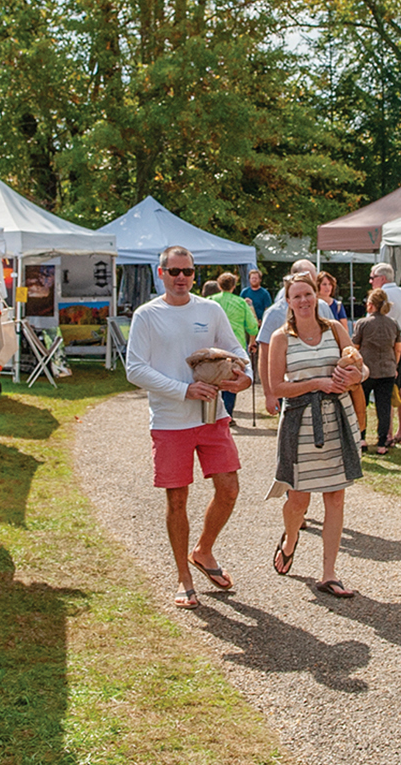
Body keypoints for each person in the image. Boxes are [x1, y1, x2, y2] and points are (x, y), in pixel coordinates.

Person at [125, 246, 253, 610]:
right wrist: (183, 390)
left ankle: (204, 549)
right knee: (177, 499)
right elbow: (135, 369)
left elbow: (237, 352)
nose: (181, 277)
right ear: (160, 273)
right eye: (174, 271)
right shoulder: (147, 315)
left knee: (229, 489)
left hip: (212, 415)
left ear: (196, 274)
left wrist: (245, 379)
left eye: (188, 271)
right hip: (170, 421)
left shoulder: (209, 309)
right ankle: (184, 577)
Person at [267, 272, 364, 598]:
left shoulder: (335, 329)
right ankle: (291, 537)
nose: (304, 301)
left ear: (317, 296)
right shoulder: (281, 338)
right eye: (297, 296)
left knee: (335, 496)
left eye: (308, 294)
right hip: (300, 422)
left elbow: (360, 366)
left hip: (337, 418)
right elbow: (277, 386)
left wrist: (353, 374)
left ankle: (329, 573)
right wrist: (317, 384)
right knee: (298, 499)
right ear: (289, 302)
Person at [256, 259, 334, 414]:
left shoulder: (323, 307)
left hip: (328, 397)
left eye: (313, 280)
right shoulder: (274, 314)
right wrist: (269, 394)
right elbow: (264, 356)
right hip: (294, 398)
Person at [369, 262, 401, 444]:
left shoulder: (381, 297)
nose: (371, 282)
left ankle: (387, 432)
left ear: (382, 278)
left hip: (388, 343)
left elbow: (372, 323)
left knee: (387, 387)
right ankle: (400, 432)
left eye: (373, 278)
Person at [351, 288, 401, 454]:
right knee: (384, 407)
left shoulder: (362, 324)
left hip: (366, 371)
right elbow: (398, 348)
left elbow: (355, 346)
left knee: (361, 405)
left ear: (370, 305)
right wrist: (394, 364)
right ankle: (381, 443)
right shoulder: (393, 323)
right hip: (387, 370)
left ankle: (362, 438)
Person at [210, 272, 260, 417]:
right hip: (234, 346)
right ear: (234, 286)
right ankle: (227, 414)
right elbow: (252, 326)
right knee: (232, 379)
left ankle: (212, 413)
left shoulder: (210, 301)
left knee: (212, 378)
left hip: (213, 345)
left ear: (219, 285)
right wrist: (252, 342)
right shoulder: (241, 303)